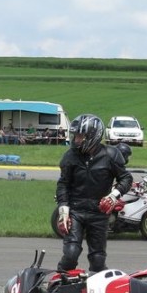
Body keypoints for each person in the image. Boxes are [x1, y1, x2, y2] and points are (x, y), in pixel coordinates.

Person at [55, 114, 133, 273]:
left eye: (79, 136)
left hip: (99, 213)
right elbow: (63, 184)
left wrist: (114, 195)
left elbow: (126, 178)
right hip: (75, 211)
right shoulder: (70, 156)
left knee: (98, 260)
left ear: (92, 136)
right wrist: (63, 208)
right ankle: (59, 283)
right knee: (71, 253)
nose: (75, 140)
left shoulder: (111, 155)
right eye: (75, 136)